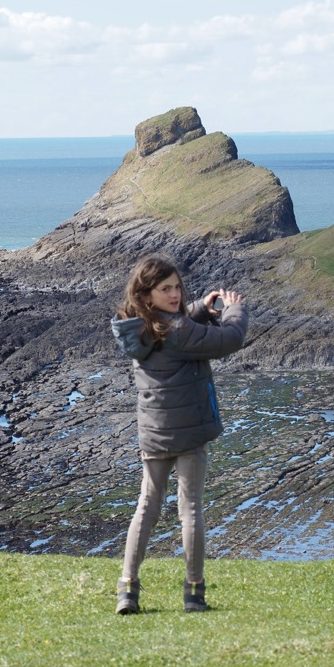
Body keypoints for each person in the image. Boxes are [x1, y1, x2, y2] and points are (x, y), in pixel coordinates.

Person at [110, 254, 248, 614]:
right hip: (188, 433)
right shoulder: (178, 331)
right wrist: (234, 310)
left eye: (177, 287)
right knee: (190, 509)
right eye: (165, 289)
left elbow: (178, 324)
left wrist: (200, 306)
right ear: (147, 294)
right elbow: (227, 340)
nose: (174, 294)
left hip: (153, 432)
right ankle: (193, 591)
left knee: (146, 507)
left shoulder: (138, 327)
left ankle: (127, 588)